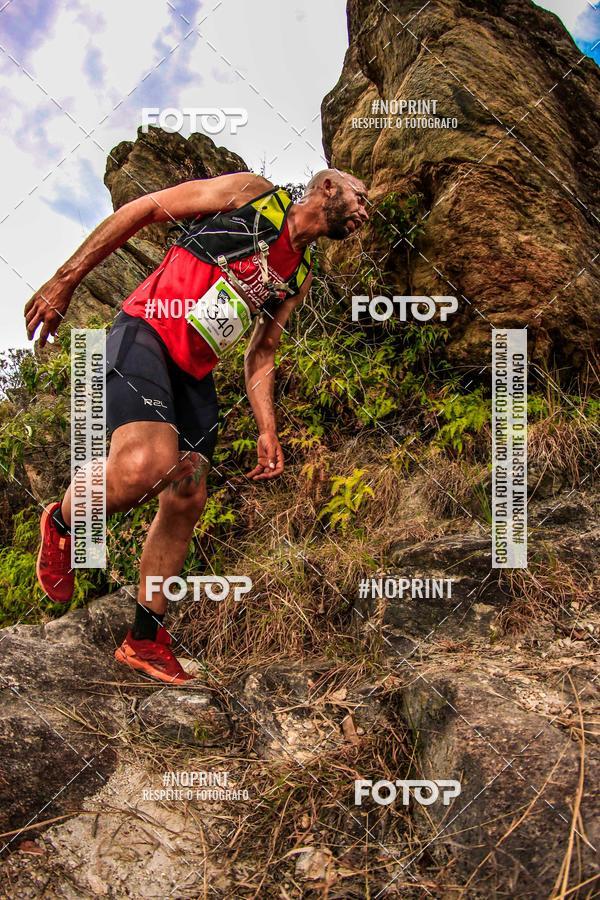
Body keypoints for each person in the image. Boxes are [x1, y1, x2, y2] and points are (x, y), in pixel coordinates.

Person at [24, 168, 369, 684]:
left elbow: (261, 353)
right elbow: (142, 209)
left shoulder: (298, 276)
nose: (366, 210)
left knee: (186, 496)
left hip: (195, 374)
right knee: (145, 465)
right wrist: (66, 279)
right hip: (144, 333)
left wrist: (266, 428)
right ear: (326, 189)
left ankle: (144, 638)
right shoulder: (255, 197)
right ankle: (64, 523)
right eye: (361, 197)